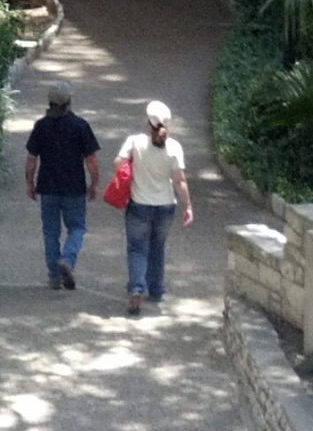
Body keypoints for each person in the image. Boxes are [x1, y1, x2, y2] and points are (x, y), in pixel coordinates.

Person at [115, 99, 194, 317]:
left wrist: (131, 167)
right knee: (158, 246)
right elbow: (179, 181)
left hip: (139, 204)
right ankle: (156, 289)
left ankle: (136, 289)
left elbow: (118, 163)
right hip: (165, 206)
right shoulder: (174, 148)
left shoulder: (135, 142)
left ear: (148, 122)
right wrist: (188, 207)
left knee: (137, 248)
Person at [23, 79, 101, 290]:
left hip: (47, 186)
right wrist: (94, 183)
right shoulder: (80, 126)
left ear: (50, 103)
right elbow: (91, 160)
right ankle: (68, 258)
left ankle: (54, 277)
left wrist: (29, 182)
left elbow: (32, 158)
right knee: (77, 227)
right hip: (73, 187)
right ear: (68, 102)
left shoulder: (41, 126)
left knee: (50, 232)